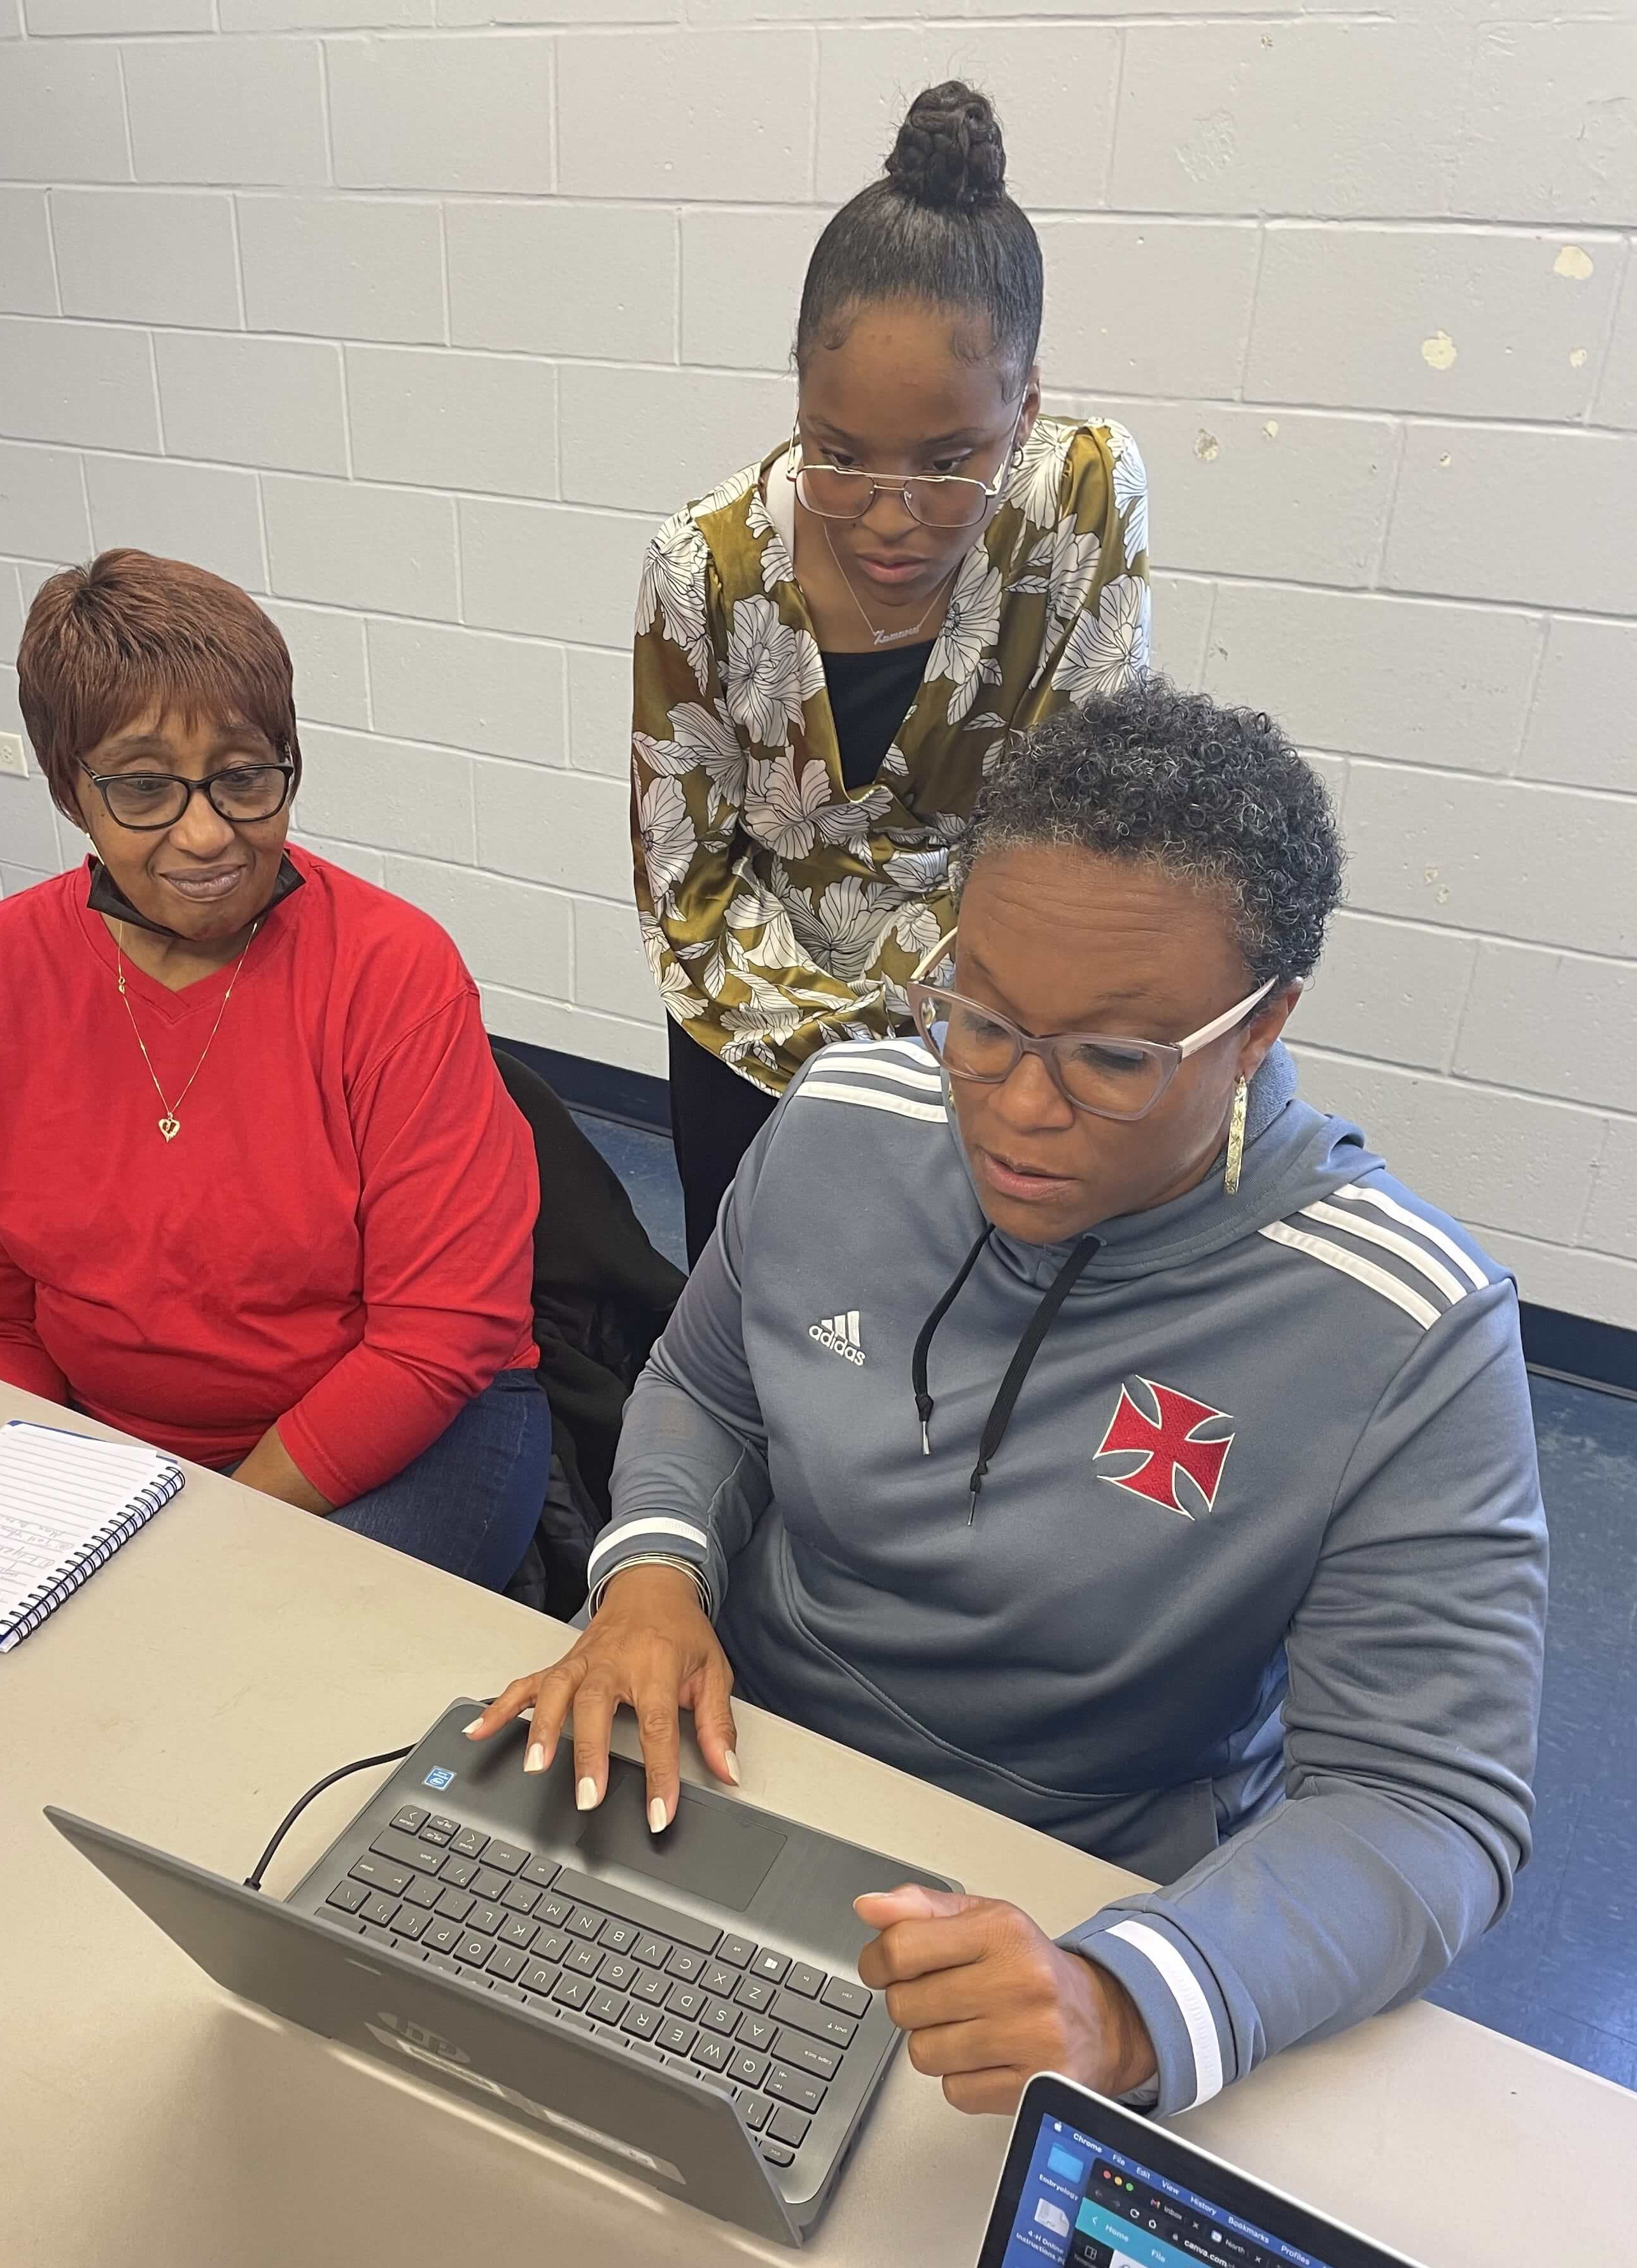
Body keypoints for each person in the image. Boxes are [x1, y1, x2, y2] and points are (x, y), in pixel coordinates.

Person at [475, 679, 1547, 2117]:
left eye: (1112, 1058)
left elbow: (1430, 1804)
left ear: (1263, 1025)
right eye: (979, 1016)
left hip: (1065, 1877)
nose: (1017, 1109)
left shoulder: (1406, 1329)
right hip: (734, 1767)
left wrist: (1130, 2002)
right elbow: (709, 1388)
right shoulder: (848, 1123)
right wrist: (656, 1574)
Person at [0, 549, 548, 1589]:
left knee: (262, 1662)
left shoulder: (392, 969)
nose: (206, 835)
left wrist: (198, 1533)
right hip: (110, 1432)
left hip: (409, 1428)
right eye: (144, 788)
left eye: (244, 777)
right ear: (72, 793)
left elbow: (439, 1334)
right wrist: (50, 1489)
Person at [634, 78, 1150, 1260]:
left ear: (1026, 406)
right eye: (840, 453)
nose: (890, 516)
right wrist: (854, 1071)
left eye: (948, 459)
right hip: (753, 1037)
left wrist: (968, 1043)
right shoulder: (704, 569)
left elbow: (1087, 811)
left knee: (960, 1353)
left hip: (995, 1037)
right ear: (799, 398)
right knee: (756, 1334)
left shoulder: (1079, 506)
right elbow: (687, 887)